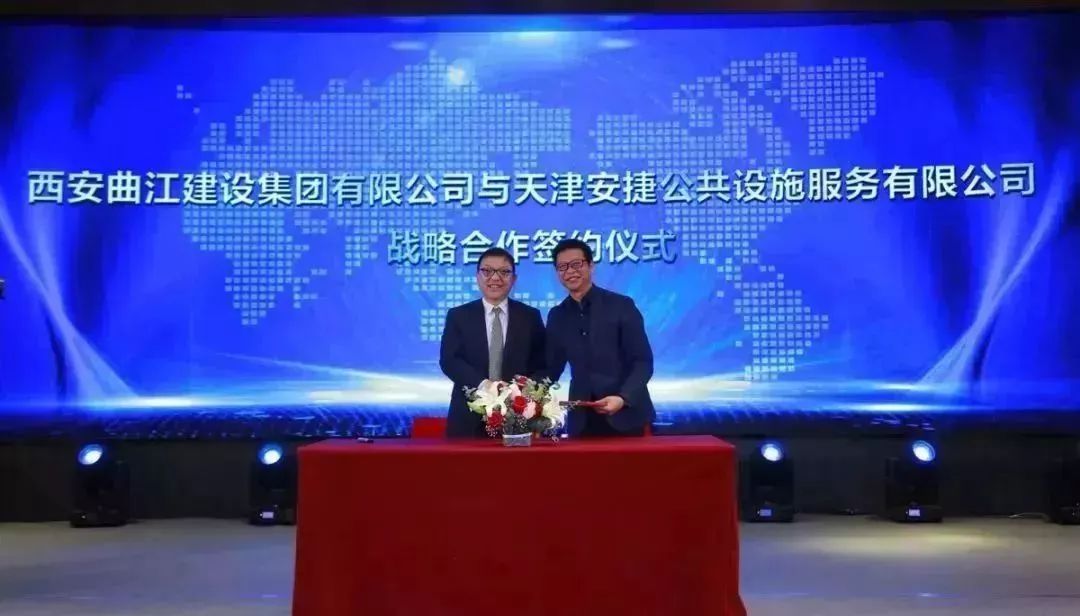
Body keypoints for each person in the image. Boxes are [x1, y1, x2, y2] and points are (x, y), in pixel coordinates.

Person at [545, 238, 655, 437]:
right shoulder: (557, 315)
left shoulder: (621, 306)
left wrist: (623, 397)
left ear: (591, 265)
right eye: (562, 267)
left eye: (576, 264)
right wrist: (525, 395)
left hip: (627, 416)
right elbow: (551, 367)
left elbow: (642, 362)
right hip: (582, 419)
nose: (570, 271)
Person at [439, 247, 546, 437]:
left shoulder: (530, 317)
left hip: (517, 417)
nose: (495, 278)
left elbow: (541, 364)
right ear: (477, 276)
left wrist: (522, 392)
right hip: (467, 415)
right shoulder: (459, 316)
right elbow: (449, 361)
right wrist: (485, 385)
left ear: (514, 279)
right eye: (487, 271)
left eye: (504, 272)